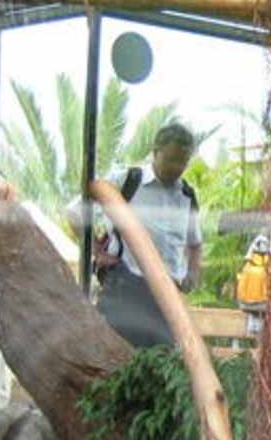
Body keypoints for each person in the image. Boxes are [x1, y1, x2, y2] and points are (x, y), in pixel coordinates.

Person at [86, 121, 204, 350]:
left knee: (159, 366)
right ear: (155, 152)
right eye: (171, 159)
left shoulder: (187, 196)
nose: (177, 167)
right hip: (125, 292)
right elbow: (76, 212)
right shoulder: (127, 181)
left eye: (183, 161)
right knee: (113, 360)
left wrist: (192, 273)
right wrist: (97, 251)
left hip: (167, 303)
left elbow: (195, 244)